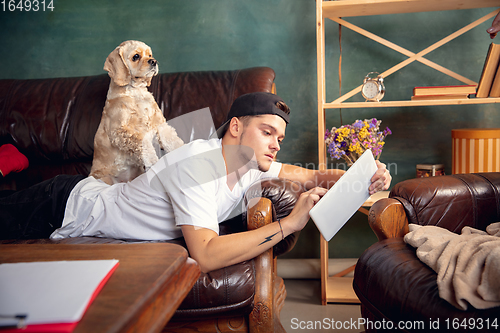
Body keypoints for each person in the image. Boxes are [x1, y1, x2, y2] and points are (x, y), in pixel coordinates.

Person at [0, 92, 391, 273]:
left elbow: (313, 176)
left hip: (74, 207)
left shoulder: (251, 162)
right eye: (268, 132)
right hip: (62, 207)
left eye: (280, 139)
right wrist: (290, 224)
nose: (275, 144)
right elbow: (204, 255)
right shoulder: (198, 164)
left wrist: (364, 178)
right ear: (236, 127)